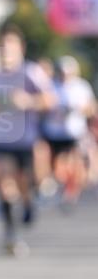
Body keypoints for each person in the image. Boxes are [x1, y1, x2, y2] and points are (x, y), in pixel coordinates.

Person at [0, 26, 54, 254]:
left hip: (25, 139)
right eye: (3, 48)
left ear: (20, 49)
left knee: (22, 184)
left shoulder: (31, 72)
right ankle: (11, 234)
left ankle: (29, 202)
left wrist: (28, 102)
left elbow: (50, 99)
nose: (6, 53)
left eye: (10, 48)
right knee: (3, 182)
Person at [41, 55, 96, 204]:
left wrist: (78, 109)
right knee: (57, 167)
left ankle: (72, 188)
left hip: (74, 132)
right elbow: (44, 103)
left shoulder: (81, 86)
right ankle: (64, 184)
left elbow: (91, 108)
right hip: (54, 132)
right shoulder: (51, 85)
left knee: (74, 162)